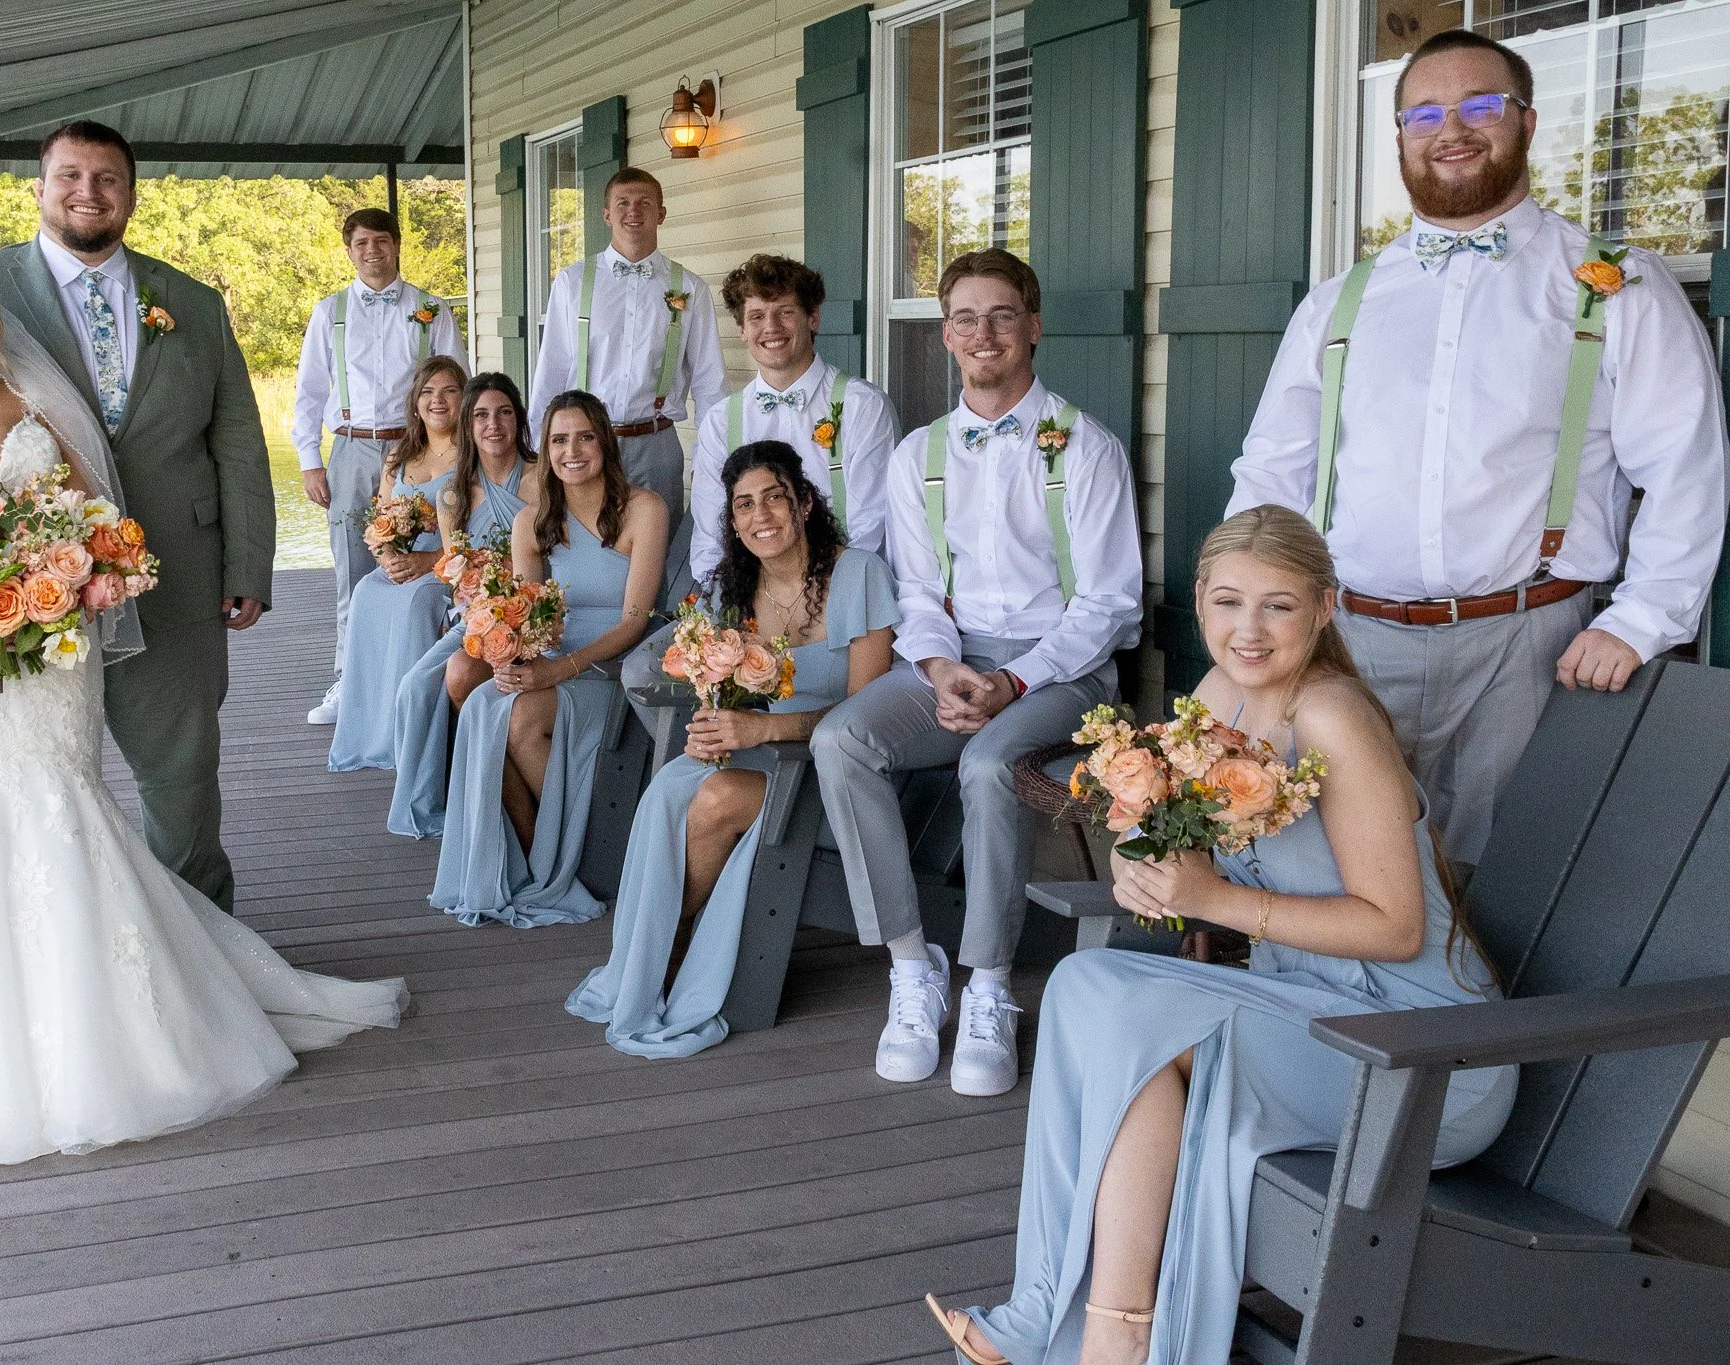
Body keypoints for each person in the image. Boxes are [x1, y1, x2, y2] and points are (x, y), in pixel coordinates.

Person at [0, 246, 407, 1231]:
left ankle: (100, 1047)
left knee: (49, 822)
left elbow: (93, 522)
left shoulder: (25, 405)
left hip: (35, 655)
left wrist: (79, 574)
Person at [923, 504, 1516, 1365]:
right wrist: (1141, 859)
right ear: (1199, 600)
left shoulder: (1333, 716)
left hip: (1424, 1056)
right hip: (1309, 1009)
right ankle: (1083, 1318)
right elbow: (1181, 846)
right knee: (1087, 987)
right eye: (1230, 601)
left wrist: (1216, 899)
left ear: (1323, 607)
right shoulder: (1216, 701)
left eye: (1278, 605)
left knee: (1131, 1020)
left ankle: (1094, 1334)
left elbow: (1396, 927)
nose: (1249, 629)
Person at [1228, 28, 1726, 869]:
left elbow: (1686, 466)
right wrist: (1250, 613)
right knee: (1327, 868)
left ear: (1527, 123)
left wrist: (1643, 619)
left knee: (1500, 881)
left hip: (1529, 646)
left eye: (1480, 106)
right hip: (1350, 636)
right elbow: (1274, 471)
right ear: (1399, 140)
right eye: (1423, 112)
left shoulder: (1617, 285)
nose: (1450, 128)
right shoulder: (1339, 303)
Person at [812, 248, 1144, 1099]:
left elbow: (1107, 605)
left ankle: (990, 985)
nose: (983, 333)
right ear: (947, 334)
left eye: (1002, 315)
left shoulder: (1088, 448)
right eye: (965, 317)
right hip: (950, 663)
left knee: (992, 762)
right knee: (843, 737)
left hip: (1063, 674)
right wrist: (939, 664)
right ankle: (910, 965)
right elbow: (917, 590)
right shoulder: (919, 453)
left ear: (1033, 327)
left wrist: (1013, 683)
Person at [0, 119, 270, 914]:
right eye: (69, 176)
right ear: (39, 188)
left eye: (106, 179)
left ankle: (206, 945)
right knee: (36, 784)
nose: (87, 193)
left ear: (131, 195)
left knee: (181, 777)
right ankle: (60, 951)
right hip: (25, 578)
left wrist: (247, 565)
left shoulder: (193, 304)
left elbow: (237, 439)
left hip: (177, 572)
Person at [567, 442, 898, 1056]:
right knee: (668, 789)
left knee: (715, 794)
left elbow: (866, 717)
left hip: (839, 773)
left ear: (803, 504)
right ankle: (649, 956)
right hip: (763, 758)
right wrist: (714, 722)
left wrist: (766, 731)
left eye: (774, 497)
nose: (760, 516)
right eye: (744, 505)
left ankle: (665, 950)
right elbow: (726, 696)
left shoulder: (858, 575)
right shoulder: (732, 592)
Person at [430, 392, 667, 927]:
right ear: (547, 448)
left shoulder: (643, 510)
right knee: (480, 708)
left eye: (585, 437)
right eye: (559, 440)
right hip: (551, 661)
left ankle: (568, 853)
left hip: (611, 667)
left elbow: (635, 621)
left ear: (604, 441)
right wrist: (509, 656)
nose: (572, 451)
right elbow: (527, 615)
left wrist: (559, 670)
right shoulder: (532, 522)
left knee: (517, 719)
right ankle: (545, 860)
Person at [295, 206, 468, 725]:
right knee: (354, 567)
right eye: (362, 243)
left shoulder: (432, 310)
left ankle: (415, 680)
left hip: (420, 449)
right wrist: (310, 460)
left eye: (382, 241)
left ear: (397, 246)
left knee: (427, 564)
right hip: (353, 448)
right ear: (350, 251)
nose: (373, 251)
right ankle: (348, 682)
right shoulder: (331, 312)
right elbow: (309, 393)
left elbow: (455, 384)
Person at [387, 373, 541, 838]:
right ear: (467, 427)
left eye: (504, 413)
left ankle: (499, 800)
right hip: (475, 619)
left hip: (533, 614)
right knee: (414, 688)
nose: (493, 425)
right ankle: (438, 801)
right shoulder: (453, 494)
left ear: (519, 419)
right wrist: (477, 602)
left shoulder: (541, 481)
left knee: (462, 675)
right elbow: (455, 574)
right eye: (480, 416)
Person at [527, 168, 726, 520]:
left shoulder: (690, 288)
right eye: (623, 203)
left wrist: (713, 458)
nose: (633, 211)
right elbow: (552, 373)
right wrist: (535, 451)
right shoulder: (572, 283)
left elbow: (710, 383)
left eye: (644, 203)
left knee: (658, 552)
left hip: (656, 441)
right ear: (607, 214)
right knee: (583, 542)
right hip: (584, 443)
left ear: (661, 214)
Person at [688, 254, 898, 583]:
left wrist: (823, 597)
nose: (770, 327)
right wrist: (723, 607)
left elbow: (872, 530)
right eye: (756, 316)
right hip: (749, 597)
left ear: (812, 317)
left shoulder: (862, 406)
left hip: (839, 590)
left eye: (785, 312)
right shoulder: (719, 422)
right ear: (741, 329)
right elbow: (710, 537)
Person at [327, 356, 467, 771]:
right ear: (415, 402)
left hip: (446, 566)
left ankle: (409, 729)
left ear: (464, 397)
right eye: (427, 392)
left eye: (449, 391)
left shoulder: (472, 457)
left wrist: (427, 561)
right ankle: (371, 726)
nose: (437, 401)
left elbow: (475, 536)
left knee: (414, 603)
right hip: (402, 564)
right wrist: (387, 556)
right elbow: (380, 522)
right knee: (367, 592)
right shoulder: (400, 456)